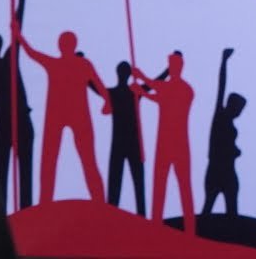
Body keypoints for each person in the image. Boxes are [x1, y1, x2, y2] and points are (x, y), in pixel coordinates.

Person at [13, 24, 108, 204]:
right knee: (53, 159)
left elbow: (100, 85)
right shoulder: (73, 64)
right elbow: (32, 53)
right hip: (61, 117)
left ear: (63, 45)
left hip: (73, 116)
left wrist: (107, 102)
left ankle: (99, 202)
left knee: (81, 159)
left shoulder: (75, 64)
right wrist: (18, 35)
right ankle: (47, 201)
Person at [133, 51, 195, 234]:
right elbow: (157, 91)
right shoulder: (170, 87)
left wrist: (141, 84)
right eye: (171, 65)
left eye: (175, 65)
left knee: (184, 187)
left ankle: (190, 229)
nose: (173, 68)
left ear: (180, 67)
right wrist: (141, 84)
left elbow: (159, 92)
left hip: (179, 144)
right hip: (164, 144)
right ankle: (156, 226)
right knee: (159, 185)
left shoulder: (185, 90)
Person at [0, 0, 33, 211]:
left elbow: (17, 28)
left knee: (24, 174)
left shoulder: (10, 57)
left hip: (21, 120)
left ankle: (27, 215)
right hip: (3, 125)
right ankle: (1, 220)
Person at [200, 48, 244, 217]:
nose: (239, 112)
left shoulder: (230, 123)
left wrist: (235, 150)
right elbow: (221, 86)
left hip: (229, 171)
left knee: (232, 210)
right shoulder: (220, 115)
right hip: (216, 170)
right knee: (208, 207)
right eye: (239, 108)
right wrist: (224, 61)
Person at [104, 61, 146, 216]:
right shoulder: (116, 93)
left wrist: (168, 71)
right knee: (116, 181)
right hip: (122, 142)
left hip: (131, 142)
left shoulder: (134, 92)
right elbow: (93, 85)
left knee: (137, 182)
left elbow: (155, 83)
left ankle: (141, 216)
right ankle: (111, 216)